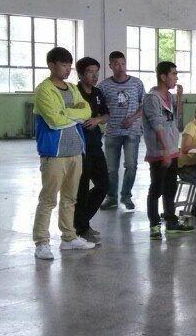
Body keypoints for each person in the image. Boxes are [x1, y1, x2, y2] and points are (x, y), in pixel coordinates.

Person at [32, 48, 95, 260]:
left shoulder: (72, 88)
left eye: (69, 65)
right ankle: (41, 243)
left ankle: (69, 237)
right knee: (48, 199)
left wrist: (66, 113)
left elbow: (87, 111)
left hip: (75, 151)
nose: (68, 69)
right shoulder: (44, 90)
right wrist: (74, 116)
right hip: (54, 153)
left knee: (70, 198)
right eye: (63, 64)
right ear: (51, 65)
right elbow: (54, 121)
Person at [142, 61, 193, 240]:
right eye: (173, 74)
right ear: (163, 77)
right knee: (156, 189)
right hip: (159, 152)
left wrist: (179, 98)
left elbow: (174, 119)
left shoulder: (169, 97)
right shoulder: (152, 98)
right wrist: (164, 149)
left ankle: (171, 222)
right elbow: (157, 125)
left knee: (171, 187)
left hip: (171, 149)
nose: (176, 77)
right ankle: (154, 225)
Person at [98, 52, 146, 210]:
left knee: (131, 166)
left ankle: (126, 196)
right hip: (112, 132)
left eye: (123, 63)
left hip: (132, 132)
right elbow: (99, 107)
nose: (120, 67)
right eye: (116, 64)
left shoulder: (136, 83)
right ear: (110, 66)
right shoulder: (104, 86)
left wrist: (132, 119)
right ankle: (111, 197)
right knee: (111, 169)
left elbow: (144, 105)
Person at [73, 57, 111, 245]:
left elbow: (106, 115)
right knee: (81, 189)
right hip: (80, 148)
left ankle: (80, 222)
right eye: (90, 72)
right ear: (80, 74)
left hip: (96, 146)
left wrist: (97, 120)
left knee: (104, 185)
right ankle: (80, 228)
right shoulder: (74, 93)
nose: (95, 76)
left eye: (97, 72)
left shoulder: (97, 92)